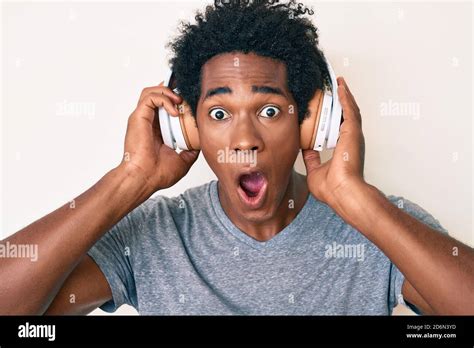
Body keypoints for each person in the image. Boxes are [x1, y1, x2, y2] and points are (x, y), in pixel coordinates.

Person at [1, 0, 473, 315]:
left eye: (270, 110)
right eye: (220, 112)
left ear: (313, 121)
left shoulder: (378, 227)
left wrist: (358, 200)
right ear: (186, 128)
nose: (245, 138)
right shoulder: (154, 235)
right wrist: (131, 177)